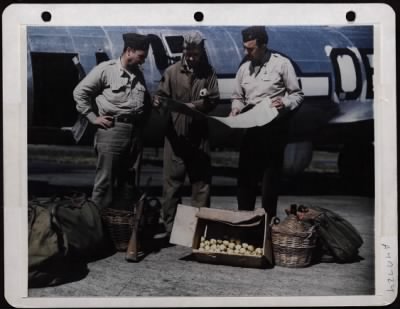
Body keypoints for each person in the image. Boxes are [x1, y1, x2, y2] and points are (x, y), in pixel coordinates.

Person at [230, 26, 304, 219]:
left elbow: (297, 95)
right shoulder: (244, 68)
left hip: (273, 130)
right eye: (245, 48)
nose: (246, 52)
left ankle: (267, 229)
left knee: (269, 186)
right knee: (245, 183)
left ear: (263, 45)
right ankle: (245, 224)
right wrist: (236, 107)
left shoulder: (282, 64)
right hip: (251, 128)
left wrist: (285, 102)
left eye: (251, 48)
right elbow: (238, 96)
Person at [153, 31, 220, 238]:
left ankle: (198, 229)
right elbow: (161, 96)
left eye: (196, 55)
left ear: (201, 53)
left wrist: (196, 105)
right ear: (183, 51)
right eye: (188, 54)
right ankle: (171, 228)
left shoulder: (208, 72)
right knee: (172, 184)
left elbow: (214, 98)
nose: (191, 58)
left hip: (199, 134)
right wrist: (158, 102)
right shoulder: (172, 72)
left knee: (201, 184)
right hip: (176, 135)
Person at [73, 33, 151, 210]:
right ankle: (96, 228)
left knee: (128, 185)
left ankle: (120, 227)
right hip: (111, 131)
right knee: (105, 183)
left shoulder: (139, 74)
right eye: (141, 56)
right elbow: (80, 93)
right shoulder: (106, 69)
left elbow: (143, 102)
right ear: (129, 51)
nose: (143, 61)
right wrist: (93, 118)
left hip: (134, 134)